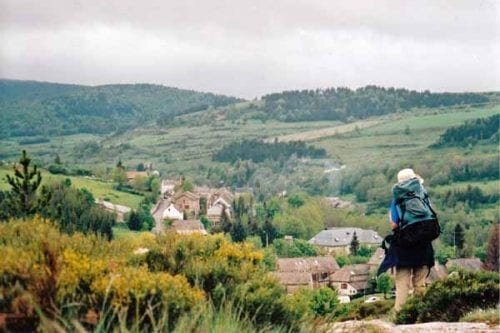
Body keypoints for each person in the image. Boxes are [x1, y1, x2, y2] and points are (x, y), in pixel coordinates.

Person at [380, 168, 435, 312]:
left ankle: (400, 313)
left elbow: (394, 223)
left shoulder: (397, 199)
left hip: (404, 244)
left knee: (402, 281)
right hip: (424, 244)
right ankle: (420, 313)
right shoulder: (423, 195)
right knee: (420, 281)